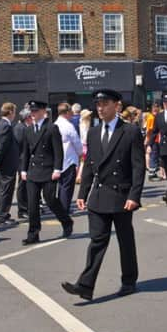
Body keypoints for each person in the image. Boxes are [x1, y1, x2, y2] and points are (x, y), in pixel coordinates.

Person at [62, 89, 145, 300]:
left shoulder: (130, 131)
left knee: (125, 241)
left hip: (121, 195)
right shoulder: (93, 132)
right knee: (97, 241)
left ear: (117, 106)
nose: (100, 108)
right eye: (97, 104)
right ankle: (85, 285)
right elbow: (90, 165)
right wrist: (82, 192)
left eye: (105, 104)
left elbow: (138, 167)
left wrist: (134, 196)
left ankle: (129, 280)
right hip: (99, 195)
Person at [20, 100, 73, 245]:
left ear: (44, 112)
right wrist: (23, 169)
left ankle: (66, 221)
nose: (33, 114)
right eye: (31, 111)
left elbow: (58, 151)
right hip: (33, 171)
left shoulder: (51, 128)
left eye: (36, 111)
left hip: (48, 170)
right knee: (32, 204)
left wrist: (57, 169)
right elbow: (25, 152)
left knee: (50, 199)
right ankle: (33, 233)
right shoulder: (28, 130)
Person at [0, 102, 19, 226]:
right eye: (14, 112)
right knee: (5, 190)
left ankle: (4, 214)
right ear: (11, 112)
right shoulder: (5, 126)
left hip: (2, 163)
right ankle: (1, 217)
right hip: (5, 165)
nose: (15, 115)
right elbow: (1, 146)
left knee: (4, 189)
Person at [54, 102, 83, 213]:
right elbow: (76, 142)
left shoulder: (55, 124)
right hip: (69, 159)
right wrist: (81, 153)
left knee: (61, 186)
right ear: (66, 113)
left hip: (58, 160)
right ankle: (64, 209)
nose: (71, 114)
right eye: (70, 112)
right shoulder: (68, 126)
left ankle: (61, 207)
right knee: (67, 186)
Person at [13, 107, 32, 219]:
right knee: (22, 186)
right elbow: (21, 146)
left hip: (24, 159)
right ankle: (22, 210)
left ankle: (26, 208)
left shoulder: (24, 127)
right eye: (30, 116)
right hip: (22, 160)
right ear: (27, 118)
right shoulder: (20, 128)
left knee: (25, 185)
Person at [76, 109, 93, 184]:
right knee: (83, 162)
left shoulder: (81, 123)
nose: (90, 117)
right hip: (85, 145)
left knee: (81, 161)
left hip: (81, 144)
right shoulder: (85, 124)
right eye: (88, 115)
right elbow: (85, 137)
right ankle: (79, 176)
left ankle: (78, 176)